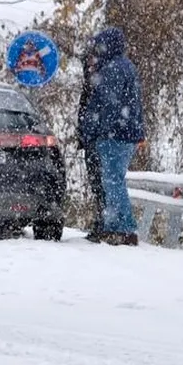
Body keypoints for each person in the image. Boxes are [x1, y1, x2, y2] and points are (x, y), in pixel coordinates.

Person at [78, 27, 146, 246]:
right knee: (112, 180)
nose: (96, 51)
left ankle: (124, 229)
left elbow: (108, 105)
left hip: (115, 134)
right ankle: (112, 225)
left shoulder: (113, 69)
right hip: (125, 132)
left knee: (113, 180)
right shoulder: (124, 66)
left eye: (98, 46)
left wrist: (96, 131)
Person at [77, 41, 106, 242]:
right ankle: (102, 222)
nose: (89, 64)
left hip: (98, 139)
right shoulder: (91, 82)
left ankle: (104, 224)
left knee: (102, 183)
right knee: (97, 183)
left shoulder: (100, 82)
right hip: (92, 139)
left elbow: (94, 111)